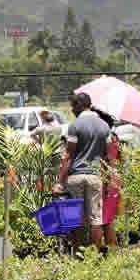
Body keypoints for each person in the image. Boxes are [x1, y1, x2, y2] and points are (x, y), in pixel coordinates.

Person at [53, 93, 111, 248]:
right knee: (95, 218)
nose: (72, 110)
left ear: (79, 106)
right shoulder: (104, 126)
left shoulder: (75, 125)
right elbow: (107, 157)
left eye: (73, 106)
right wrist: (107, 181)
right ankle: (95, 256)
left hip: (76, 177)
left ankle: (79, 252)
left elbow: (69, 156)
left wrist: (59, 183)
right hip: (95, 176)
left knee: (75, 216)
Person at [94, 109, 124, 249]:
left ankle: (101, 251)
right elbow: (121, 160)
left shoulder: (102, 140)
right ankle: (112, 250)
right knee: (109, 218)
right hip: (115, 179)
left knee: (100, 219)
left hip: (104, 179)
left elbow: (105, 161)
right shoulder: (115, 138)